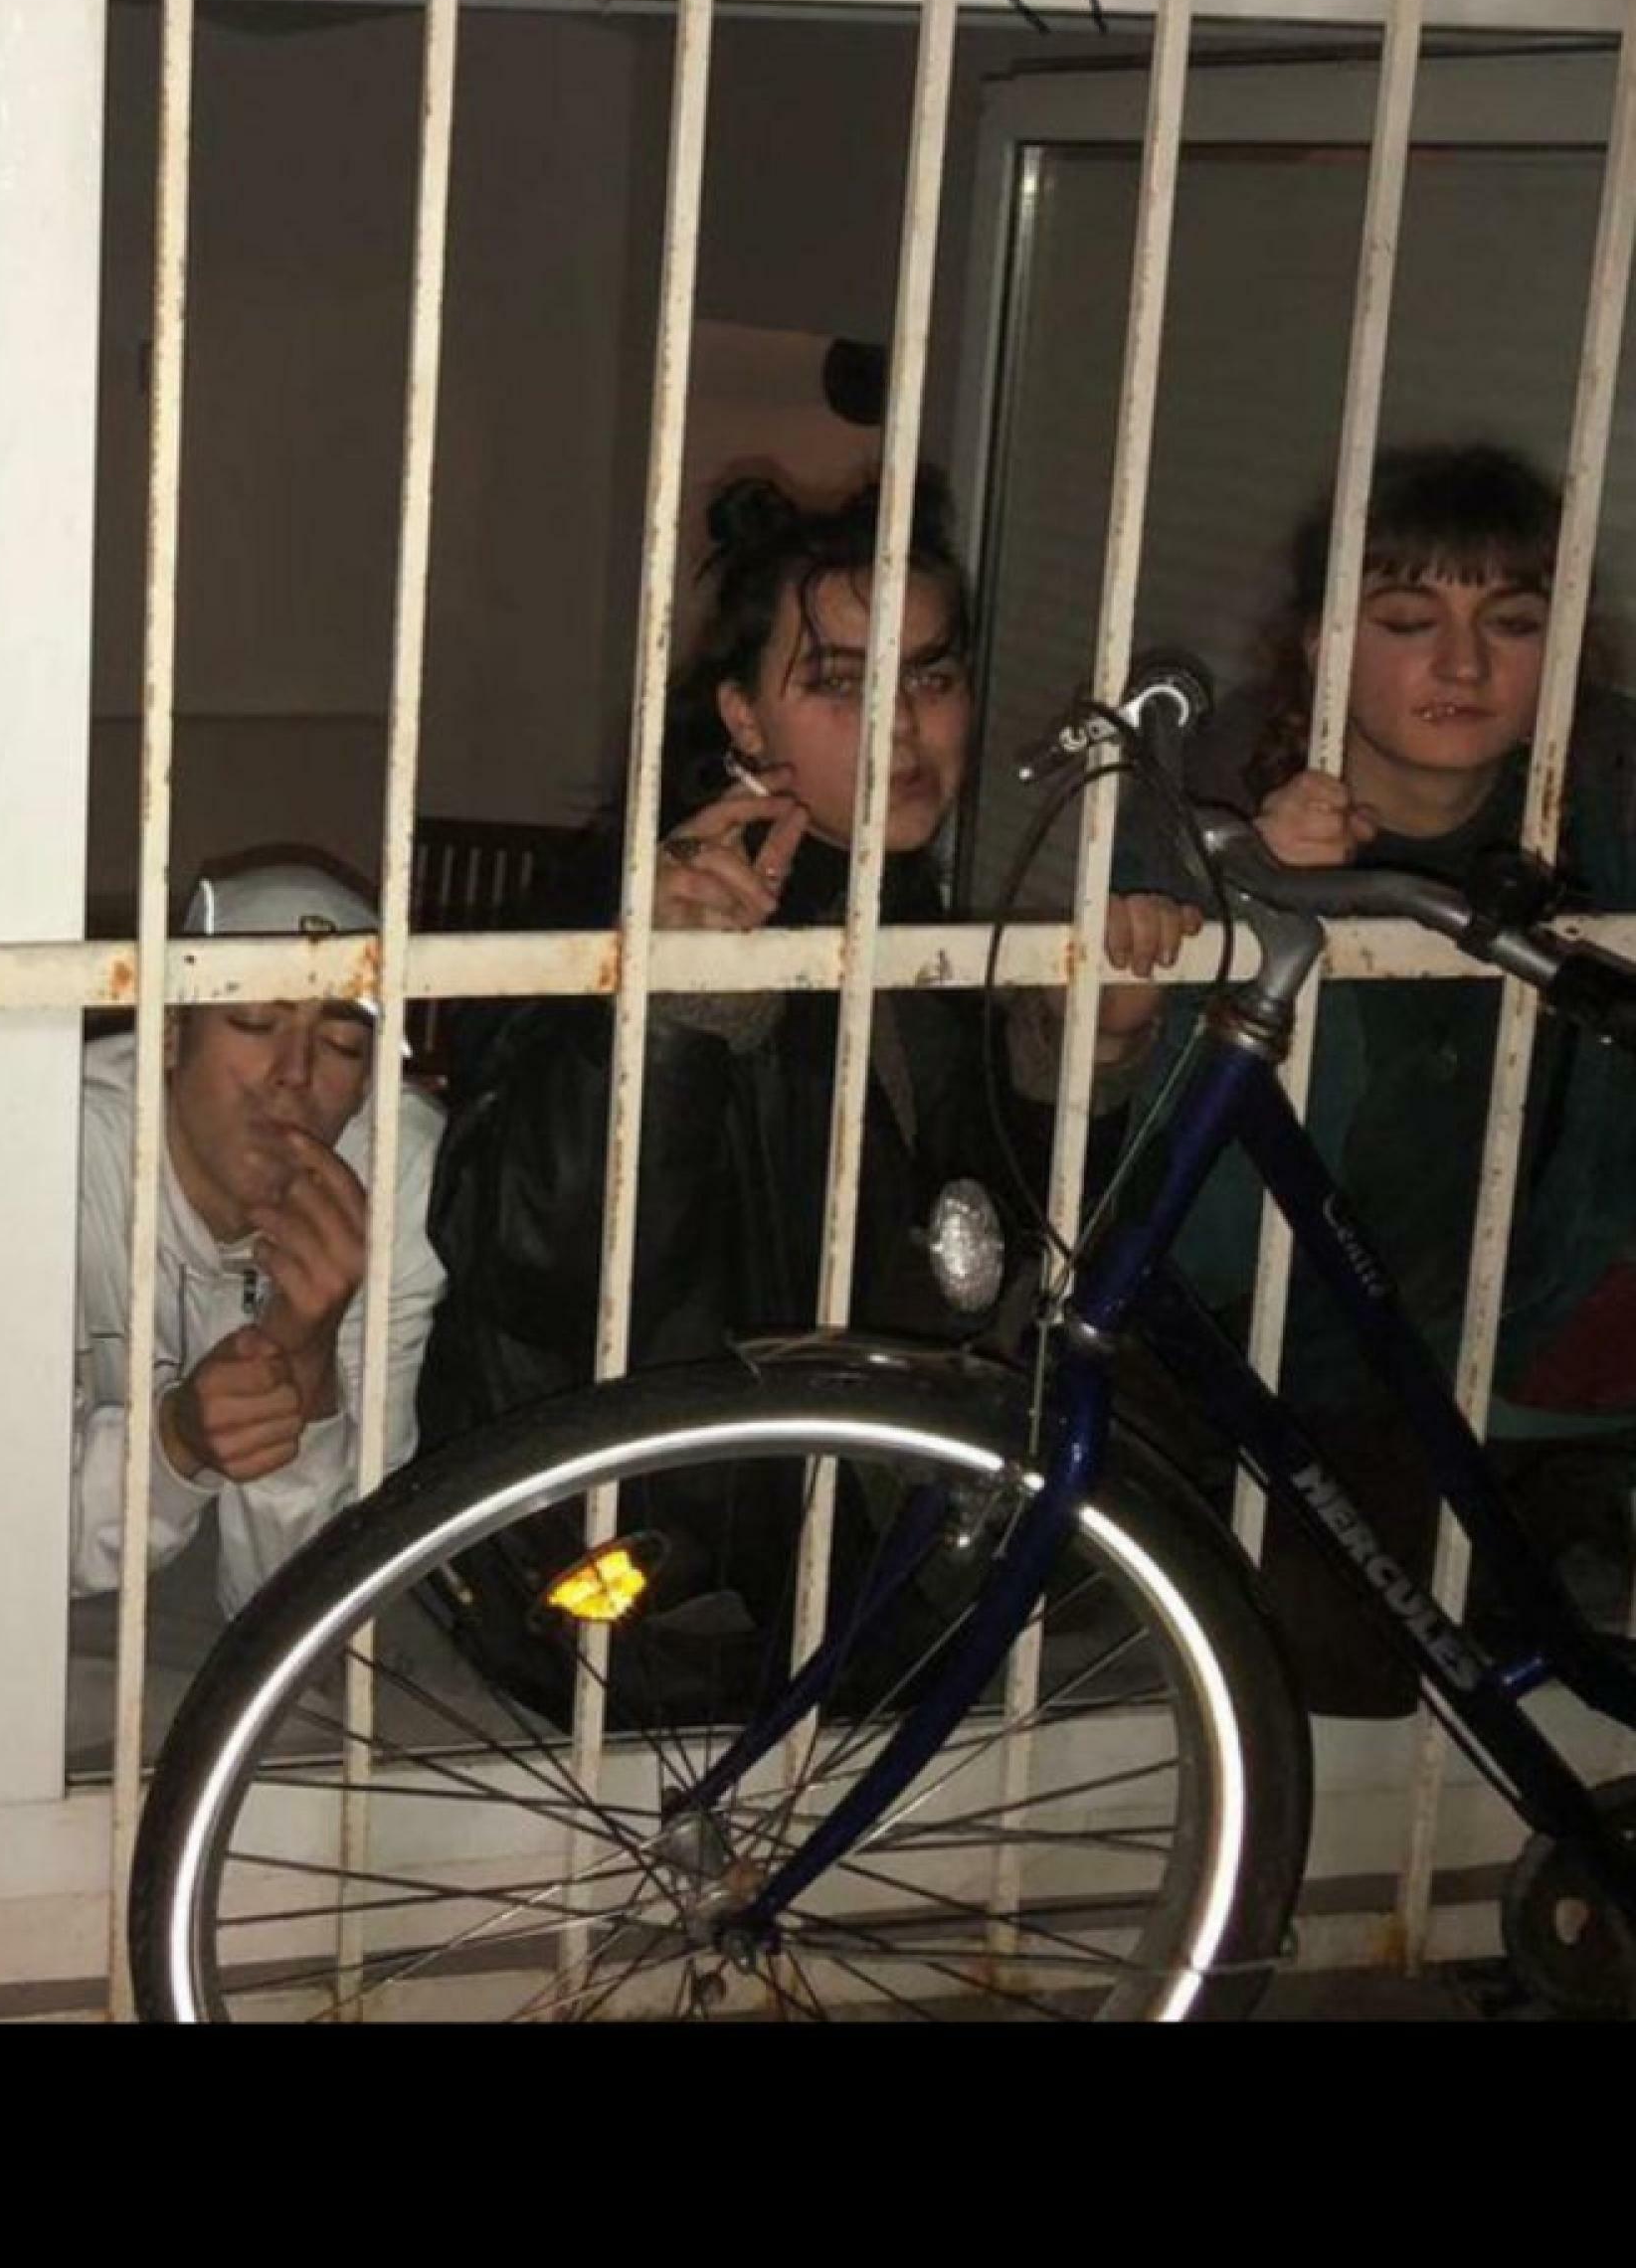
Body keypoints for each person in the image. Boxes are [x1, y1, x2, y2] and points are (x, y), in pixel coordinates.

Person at [413, 474, 1193, 1714]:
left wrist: (1082, 1055)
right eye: (840, 683)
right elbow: (535, 1264)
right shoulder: (623, 910)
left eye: (933, 675)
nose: (903, 727)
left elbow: (990, 1265)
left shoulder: (914, 921)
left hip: (843, 1580)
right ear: (742, 713)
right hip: (632, 1586)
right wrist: (671, 1011)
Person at [1160, 441, 1636, 1696]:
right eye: (1411, 621)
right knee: (1324, 1665)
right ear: (1322, 644)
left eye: (1513, 623)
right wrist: (1266, 900)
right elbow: (1190, 1212)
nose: (1464, 666)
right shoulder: (1218, 831)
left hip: (1541, 1349)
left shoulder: (1606, 828)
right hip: (1299, 1364)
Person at [70, 860, 447, 1618]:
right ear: (170, 1034)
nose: (295, 1073)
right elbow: (19, 1536)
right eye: (253, 1022)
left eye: (341, 1042)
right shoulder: (64, 1140)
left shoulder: (399, 1166)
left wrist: (306, 1354)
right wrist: (176, 1443)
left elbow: (318, 1608)